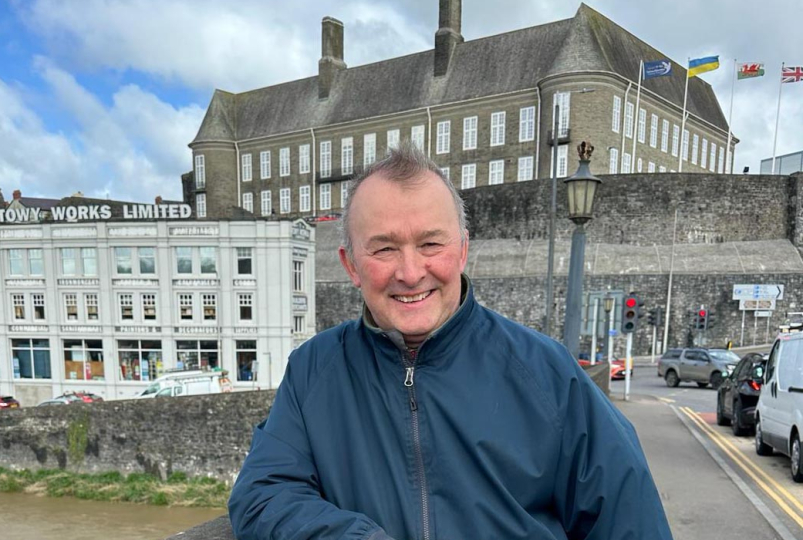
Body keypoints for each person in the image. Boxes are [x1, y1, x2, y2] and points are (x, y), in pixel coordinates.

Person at [229, 142, 673, 540]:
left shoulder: (546, 371)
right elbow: (262, 494)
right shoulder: (314, 370)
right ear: (351, 265)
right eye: (383, 249)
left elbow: (630, 519)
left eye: (430, 244)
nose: (409, 271)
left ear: (461, 250)